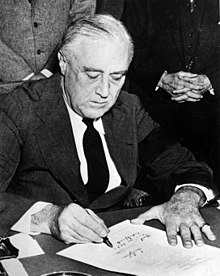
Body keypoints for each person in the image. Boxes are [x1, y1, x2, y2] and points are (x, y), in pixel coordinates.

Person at [0, 14, 217, 249]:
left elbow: (184, 166)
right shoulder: (20, 109)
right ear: (63, 62)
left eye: (117, 77)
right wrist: (47, 217)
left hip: (119, 248)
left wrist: (185, 198)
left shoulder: (128, 108)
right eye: (92, 75)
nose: (105, 92)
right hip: (37, 251)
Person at [122, 0, 220, 186]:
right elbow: (127, 42)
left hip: (213, 111)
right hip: (156, 110)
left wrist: (211, 80)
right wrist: (162, 79)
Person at [0, 0, 96, 92]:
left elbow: (82, 22)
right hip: (7, 86)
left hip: (62, 81)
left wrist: (50, 69)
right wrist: (21, 74)